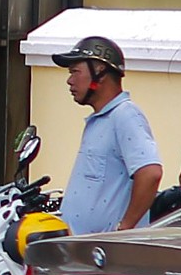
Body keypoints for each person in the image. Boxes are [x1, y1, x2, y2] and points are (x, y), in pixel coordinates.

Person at [57, 36, 163, 234]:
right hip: (84, 254)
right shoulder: (101, 119)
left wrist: (125, 228)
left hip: (106, 257)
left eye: (75, 72)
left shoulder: (125, 115)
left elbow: (150, 173)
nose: (69, 80)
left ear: (100, 71)